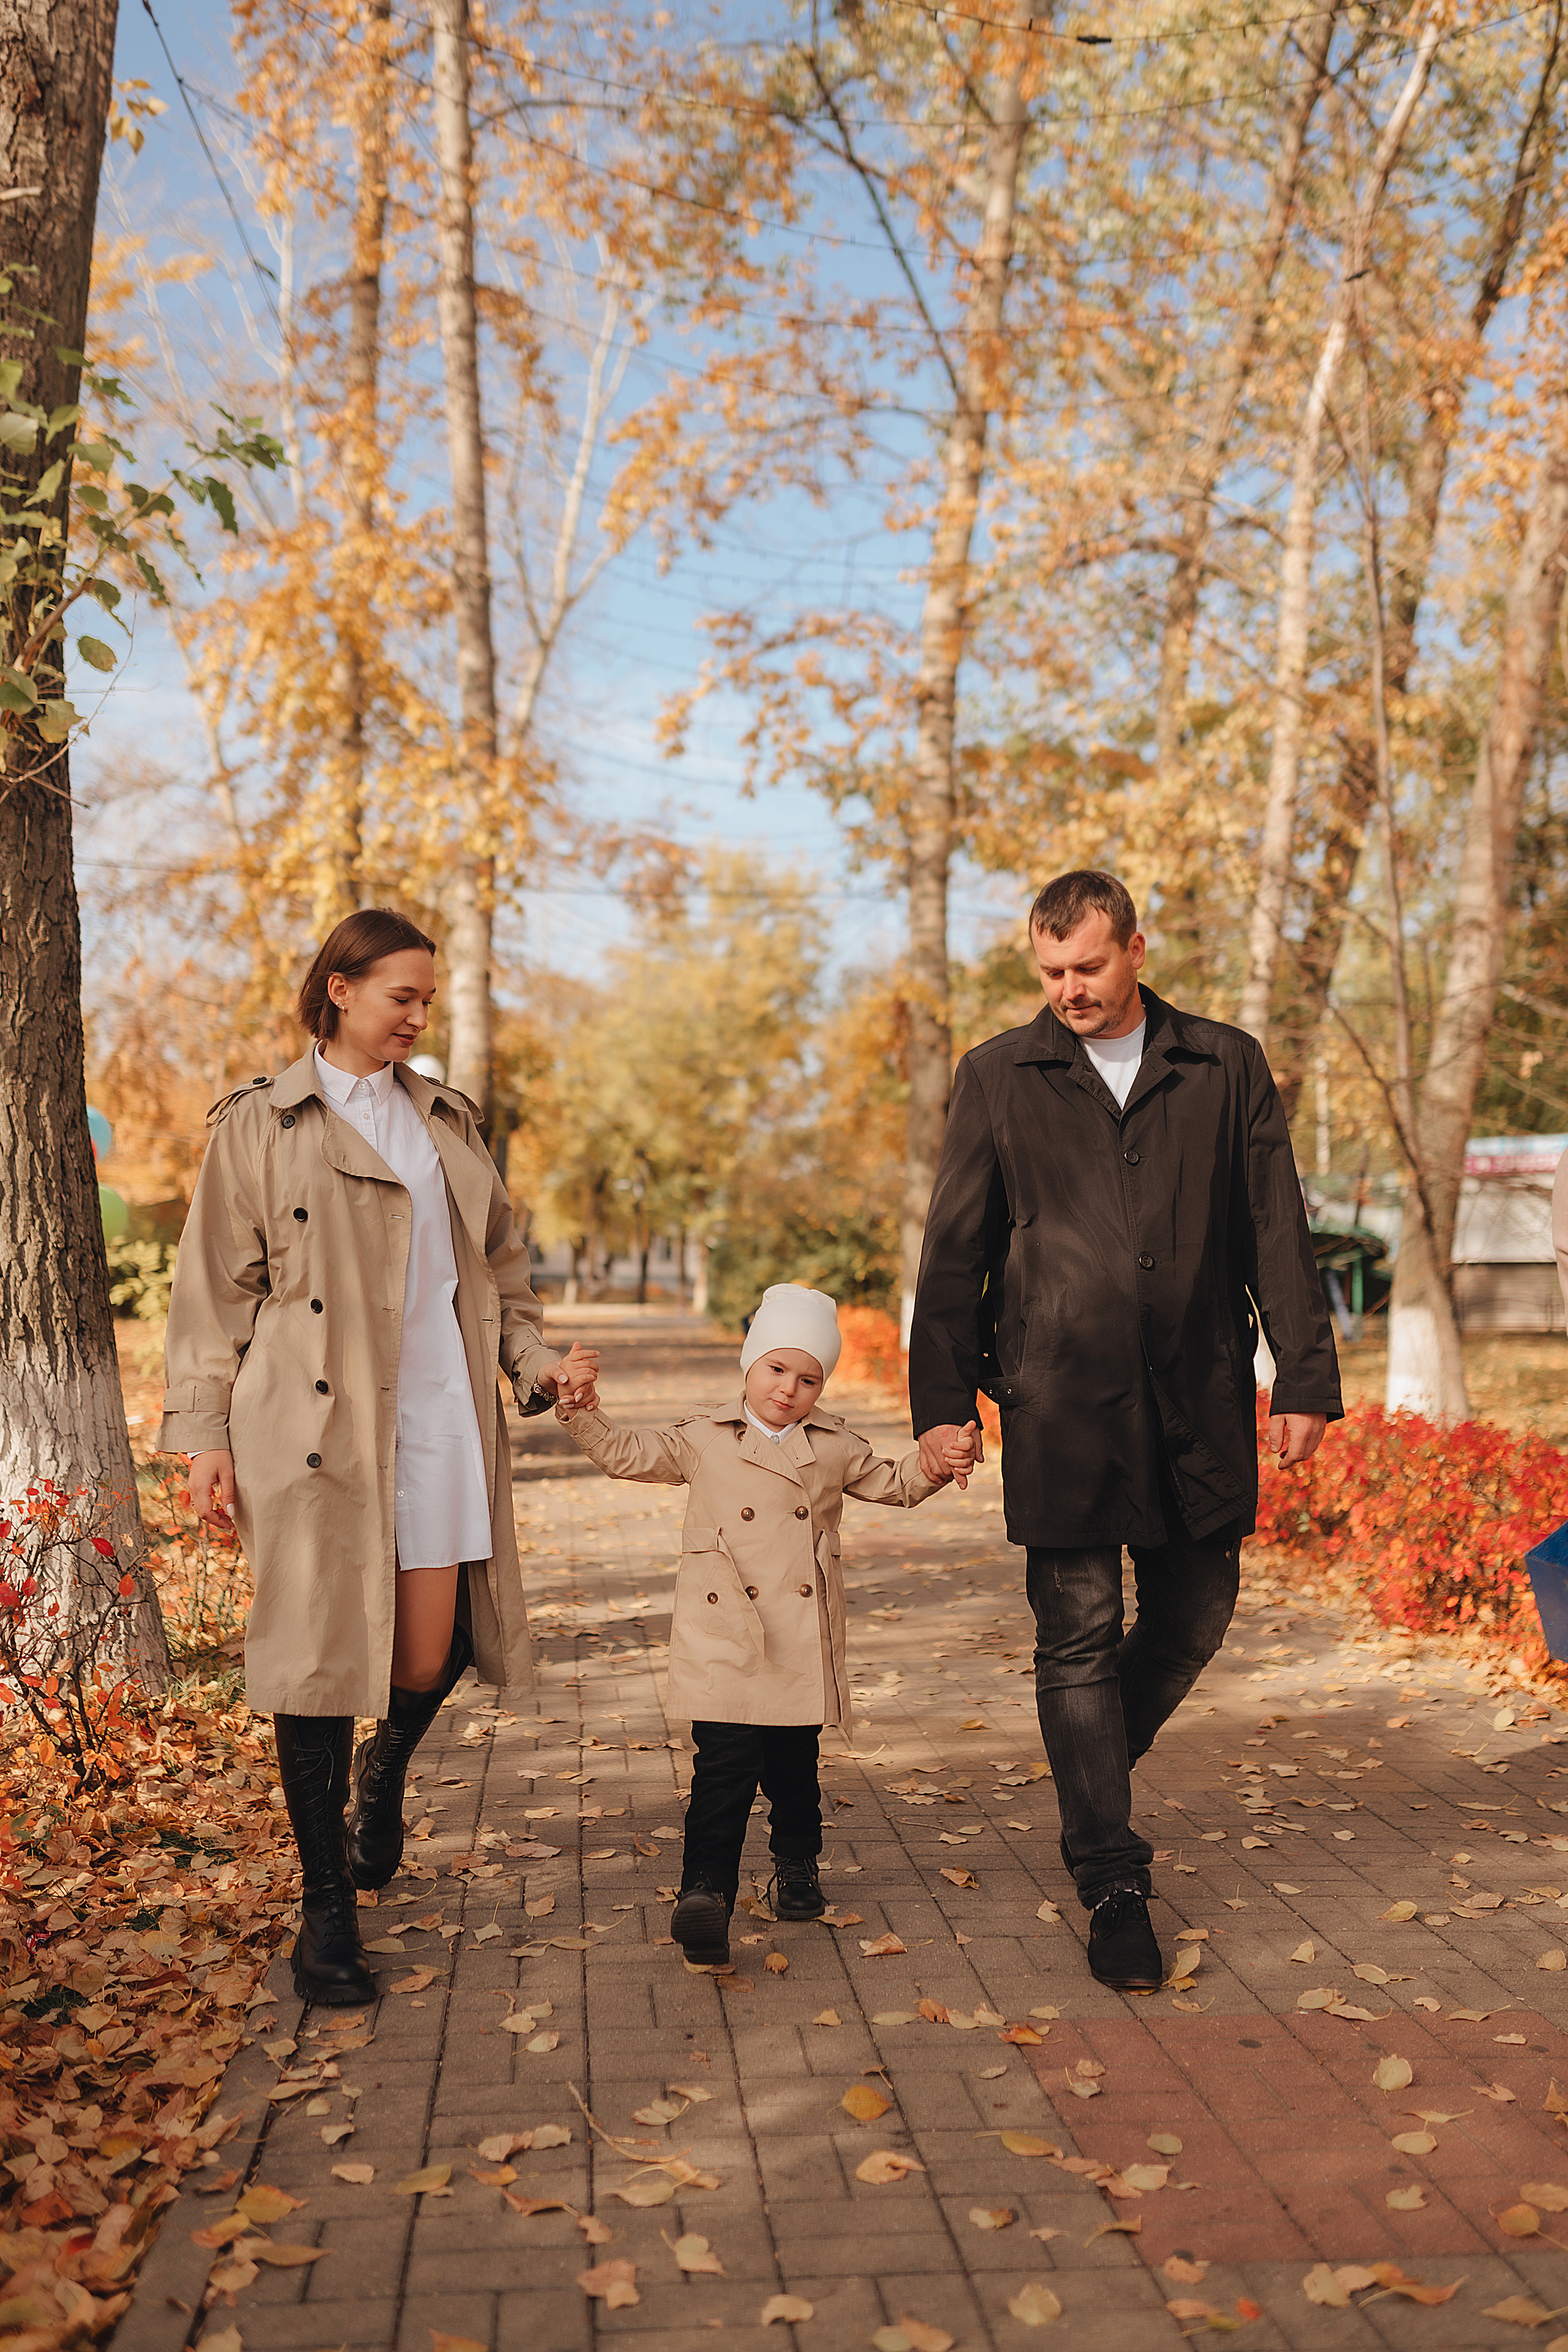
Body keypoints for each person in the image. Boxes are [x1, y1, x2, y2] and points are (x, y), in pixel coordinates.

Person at [909, 870, 1341, 1992]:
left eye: (1089, 966)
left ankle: (1086, 1764)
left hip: (1198, 1394)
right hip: (1060, 1404)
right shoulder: (999, 1076)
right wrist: (944, 1408)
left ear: (1136, 951)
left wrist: (1303, 1377)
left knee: (1197, 1615)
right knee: (1078, 1641)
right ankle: (1111, 1878)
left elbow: (1275, 1227)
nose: (1070, 989)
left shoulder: (1224, 1064)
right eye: (1051, 971)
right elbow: (955, 1253)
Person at [159, 909, 598, 2006]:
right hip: (311, 1426)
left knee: (427, 1652)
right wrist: (202, 1434)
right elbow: (212, 1292)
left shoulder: (447, 1119)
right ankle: (326, 1913)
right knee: (315, 1662)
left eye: (427, 1001)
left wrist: (540, 1363)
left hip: (441, 1410)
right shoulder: (262, 1123)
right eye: (401, 996)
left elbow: (498, 1273)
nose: (416, 1017)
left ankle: (384, 1765)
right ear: (339, 989)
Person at [554, 1284, 981, 1971]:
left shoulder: (834, 1446)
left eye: (809, 1378)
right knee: (721, 1770)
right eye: (777, 1369)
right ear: (749, 1365)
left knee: (792, 1772)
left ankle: (797, 1863)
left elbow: (895, 1482)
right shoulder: (703, 1438)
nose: (789, 1389)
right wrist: (579, 1406)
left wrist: (940, 1459)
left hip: (796, 1642)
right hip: (724, 1636)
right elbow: (626, 1452)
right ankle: (705, 1895)